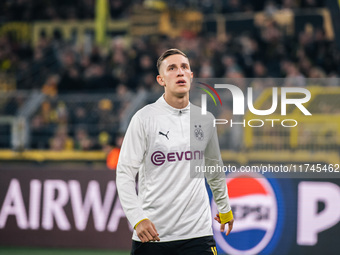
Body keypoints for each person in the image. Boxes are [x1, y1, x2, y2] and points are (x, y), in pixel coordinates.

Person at [116, 48, 234, 255]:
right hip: (153, 235)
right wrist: (137, 219)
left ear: (191, 76)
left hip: (198, 234)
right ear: (161, 80)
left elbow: (214, 168)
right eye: (172, 68)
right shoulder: (144, 118)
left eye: (184, 67)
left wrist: (224, 207)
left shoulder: (205, 119)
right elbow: (124, 173)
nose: (180, 72)